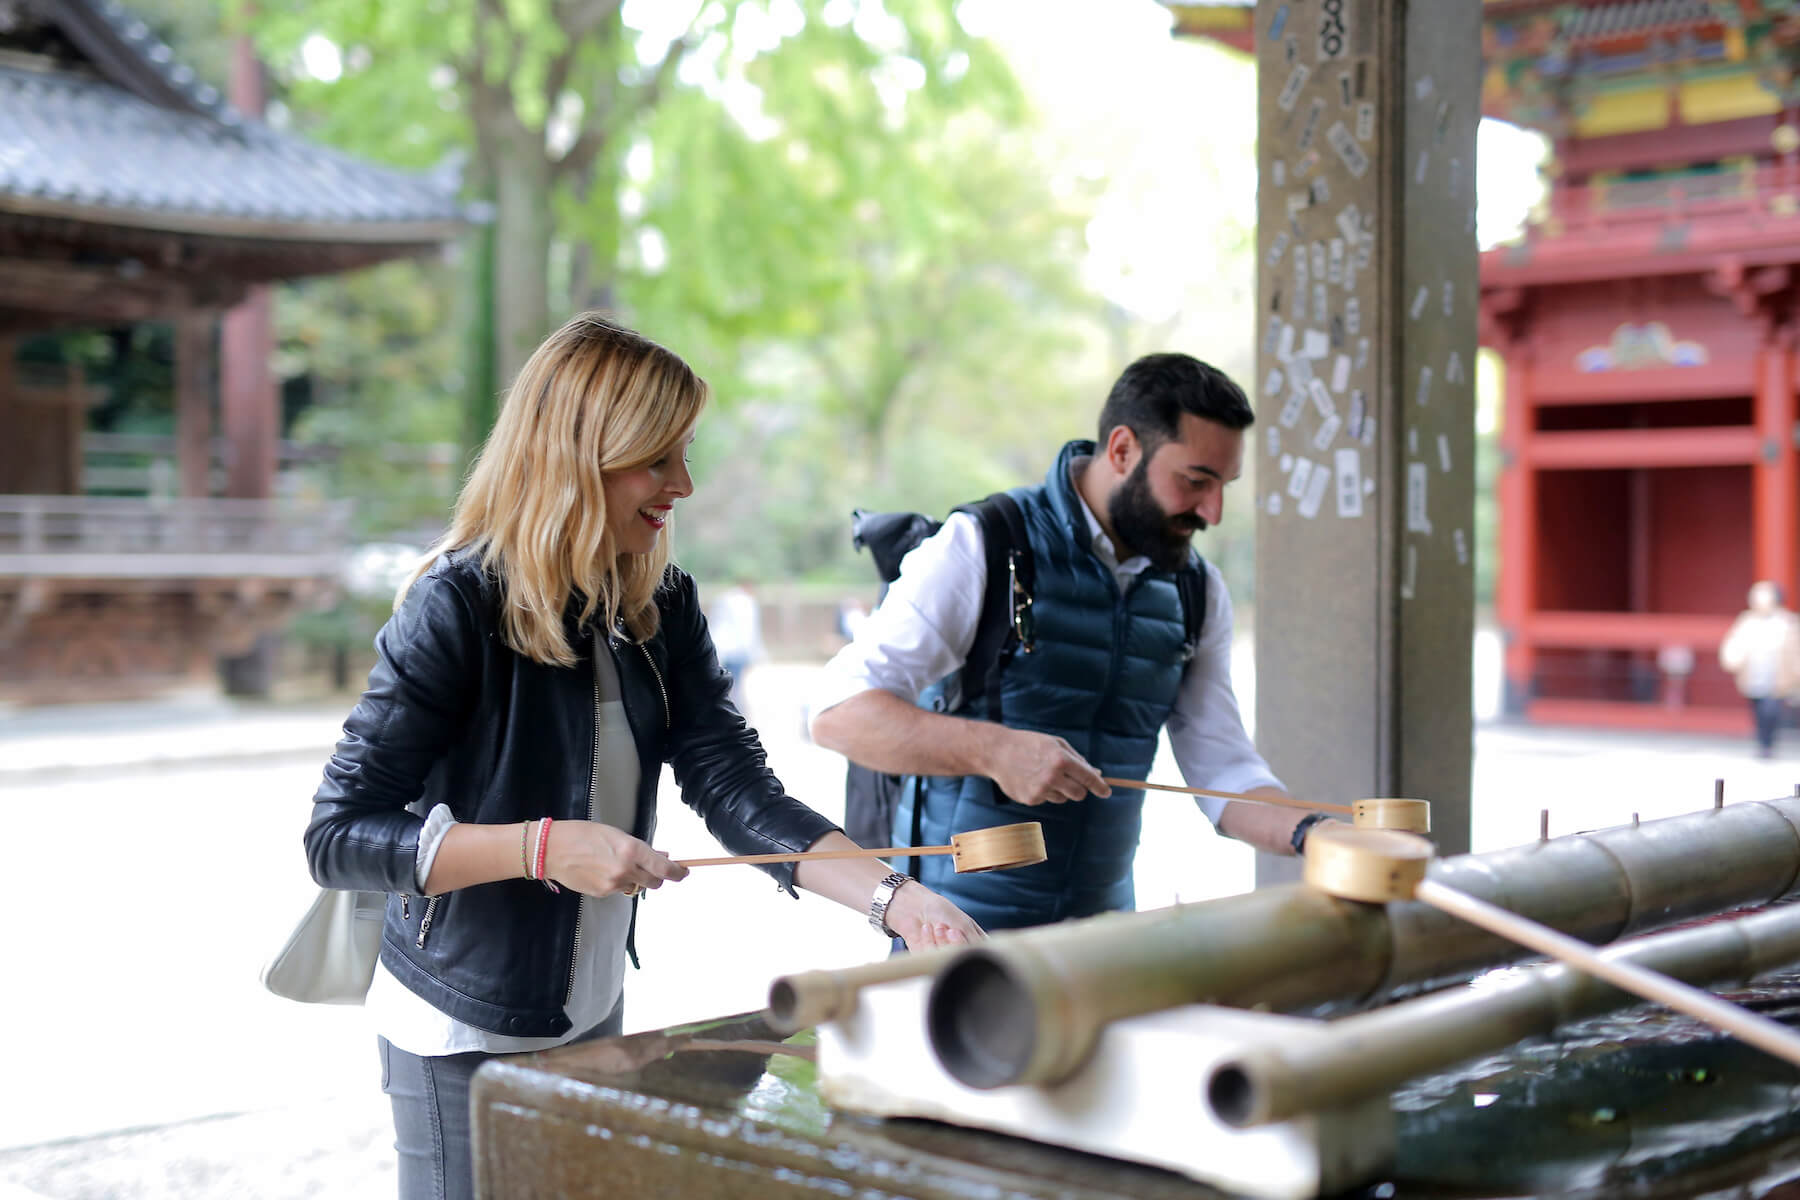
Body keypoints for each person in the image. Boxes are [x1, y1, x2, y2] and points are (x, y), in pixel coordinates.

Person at [303, 313, 982, 1200]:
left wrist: (898, 898)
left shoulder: (660, 602)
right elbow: (339, 835)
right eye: (658, 459)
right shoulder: (455, 604)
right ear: (580, 454)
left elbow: (737, 788)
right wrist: (541, 847)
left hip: (589, 1011)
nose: (685, 485)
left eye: (685, 453)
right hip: (459, 1033)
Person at [809, 352, 1324, 935]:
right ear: (1123, 449)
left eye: (1224, 486)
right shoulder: (985, 543)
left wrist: (1319, 834)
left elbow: (1224, 770)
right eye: (1195, 481)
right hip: (956, 945)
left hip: (1101, 945)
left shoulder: (1197, 588)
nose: (1213, 511)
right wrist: (993, 751)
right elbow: (834, 714)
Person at [1719, 580, 1800, 758]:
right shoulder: (1747, 620)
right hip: (1754, 672)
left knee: (1771, 709)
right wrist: (1732, 659)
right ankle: (1762, 742)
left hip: (1778, 674)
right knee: (1758, 709)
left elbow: (1795, 649)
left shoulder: (1786, 621)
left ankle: (1768, 743)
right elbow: (1735, 643)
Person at [707, 578, 763, 712]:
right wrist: (754, 653)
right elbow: (749, 631)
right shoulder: (747, 603)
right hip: (738, 652)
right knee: (734, 686)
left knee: (722, 685)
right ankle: (732, 714)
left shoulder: (724, 599)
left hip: (721, 649)